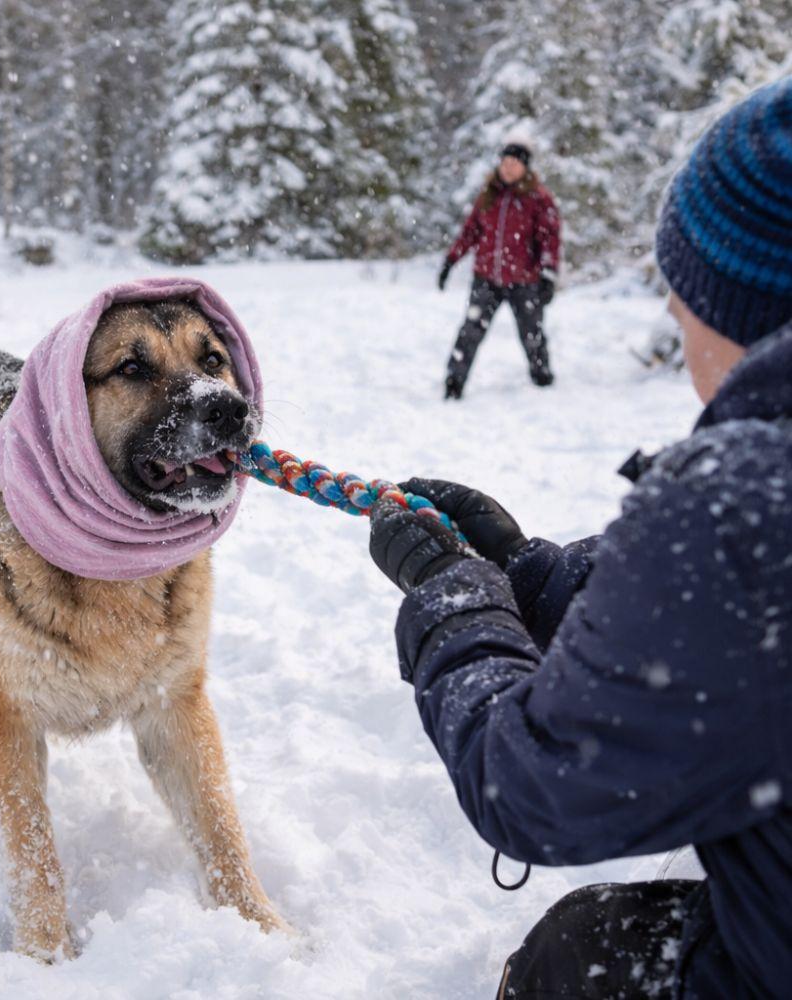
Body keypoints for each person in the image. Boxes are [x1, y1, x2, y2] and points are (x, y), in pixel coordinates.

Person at [369, 78, 792, 999]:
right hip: (493, 282)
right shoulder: (764, 496)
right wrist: (529, 573)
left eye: (685, 293)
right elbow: (725, 624)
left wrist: (454, 597)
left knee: (573, 959)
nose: (676, 319)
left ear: (741, 310)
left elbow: (533, 786)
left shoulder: (745, 507)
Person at [438, 137, 560, 399]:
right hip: (487, 278)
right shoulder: (489, 195)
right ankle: (454, 381)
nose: (508, 168)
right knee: (470, 330)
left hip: (524, 280)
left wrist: (548, 273)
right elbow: (470, 231)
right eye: (505, 162)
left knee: (532, 332)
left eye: (514, 163)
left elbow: (550, 238)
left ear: (525, 168)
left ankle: (542, 377)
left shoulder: (538, 198)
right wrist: (451, 260)